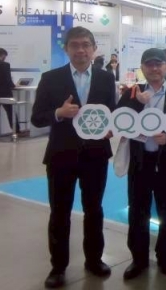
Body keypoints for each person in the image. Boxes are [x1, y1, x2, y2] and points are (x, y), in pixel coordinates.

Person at [31, 27, 117, 289]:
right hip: (61, 155)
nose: (81, 50)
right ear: (66, 48)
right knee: (60, 212)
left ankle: (94, 260)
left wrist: (112, 127)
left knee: (94, 210)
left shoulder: (106, 78)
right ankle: (58, 267)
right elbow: (37, 118)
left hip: (96, 155)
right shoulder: (50, 78)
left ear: (94, 49)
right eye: (75, 45)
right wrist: (59, 112)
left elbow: (111, 112)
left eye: (86, 45)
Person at [118, 48, 166, 280]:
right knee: (137, 212)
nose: (154, 68)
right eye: (149, 64)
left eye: (158, 64)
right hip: (140, 162)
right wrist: (137, 104)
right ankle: (138, 259)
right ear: (142, 68)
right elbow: (119, 121)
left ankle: (165, 256)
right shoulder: (132, 92)